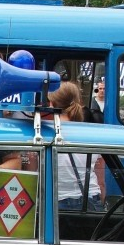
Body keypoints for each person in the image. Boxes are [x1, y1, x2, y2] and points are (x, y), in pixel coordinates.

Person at [48, 82, 105, 210]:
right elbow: (101, 181)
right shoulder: (93, 135)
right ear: (78, 102)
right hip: (90, 198)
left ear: (52, 104)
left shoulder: (45, 133)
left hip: (55, 200)